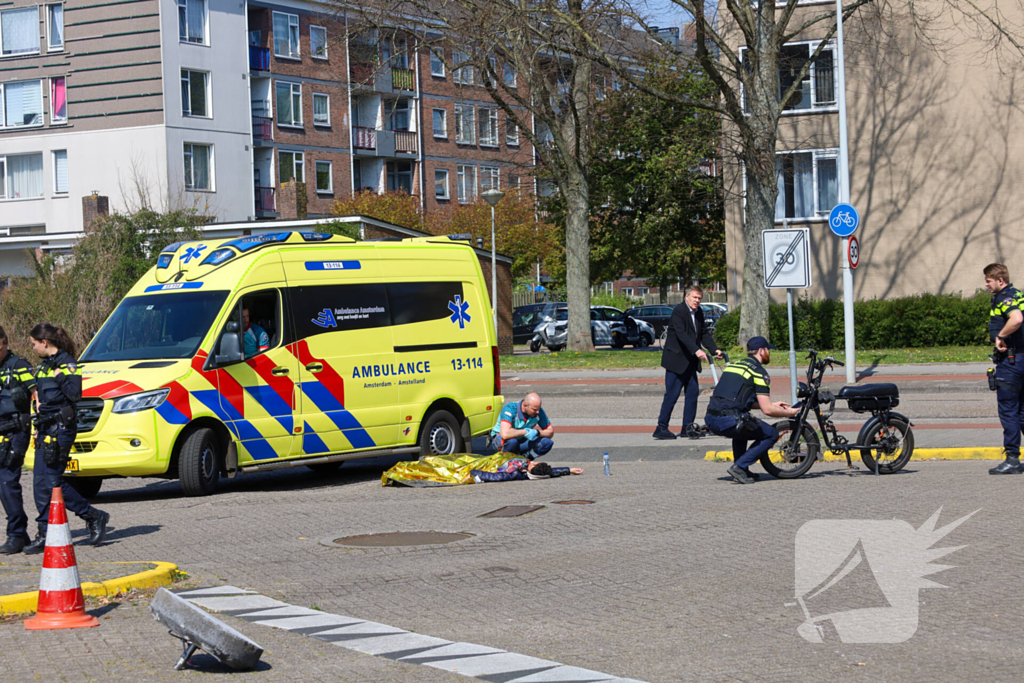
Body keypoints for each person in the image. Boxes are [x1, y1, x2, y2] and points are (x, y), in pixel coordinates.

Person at [24, 323, 109, 554]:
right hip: (45, 428)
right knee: (39, 482)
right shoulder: (43, 366)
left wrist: (60, 375)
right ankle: (45, 533)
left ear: (44, 342)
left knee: (53, 481)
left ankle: (93, 515)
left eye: (34, 343)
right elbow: (41, 399)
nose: (33, 348)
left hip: (61, 429)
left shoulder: (68, 364)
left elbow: (75, 394)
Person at [704, 336, 799, 484]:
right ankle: (739, 466)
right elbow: (767, 410)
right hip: (729, 421)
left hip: (711, 419)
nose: (769, 353)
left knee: (743, 423)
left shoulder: (734, 366)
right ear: (761, 351)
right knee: (771, 434)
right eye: (768, 350)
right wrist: (790, 413)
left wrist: (773, 404)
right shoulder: (759, 372)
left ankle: (742, 469)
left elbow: (738, 400)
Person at [654, 285, 723, 440]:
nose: (697, 301)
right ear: (687, 297)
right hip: (676, 361)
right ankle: (661, 428)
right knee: (672, 395)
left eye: (699, 298)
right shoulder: (679, 311)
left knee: (692, 394)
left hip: (690, 362)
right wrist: (697, 351)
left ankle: (687, 428)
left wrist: (714, 350)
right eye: (694, 297)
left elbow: (704, 333)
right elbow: (682, 335)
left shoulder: (699, 312)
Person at [984, 263, 1024, 474]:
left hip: (1011, 361)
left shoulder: (1004, 297)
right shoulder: (1018, 294)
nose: (986, 285)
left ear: (1000, 280)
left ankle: (1012, 459)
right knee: (1022, 412)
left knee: (1009, 410)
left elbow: (1017, 318)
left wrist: (1001, 336)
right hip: (1021, 358)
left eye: (988, 281)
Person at [0, 327, 36, 554]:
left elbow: (37, 395)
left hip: (15, 432)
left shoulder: (19, 365)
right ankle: (20, 533)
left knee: (7, 481)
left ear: (4, 343)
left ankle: (15, 534)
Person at [490, 392, 554, 459]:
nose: (538, 412)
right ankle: (506, 461)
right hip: (501, 440)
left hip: (521, 439)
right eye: (534, 409)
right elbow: (505, 434)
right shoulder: (510, 408)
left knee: (547, 443)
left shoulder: (538, 411)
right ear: (525, 405)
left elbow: (550, 432)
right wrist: (525, 431)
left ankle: (525, 458)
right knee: (512, 442)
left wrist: (537, 432)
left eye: (538, 409)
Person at [472, 459, 583, 483]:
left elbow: (495, 477)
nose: (534, 462)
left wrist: (473, 472)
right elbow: (552, 471)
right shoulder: (541, 473)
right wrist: (569, 470)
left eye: (534, 464)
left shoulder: (515, 474)